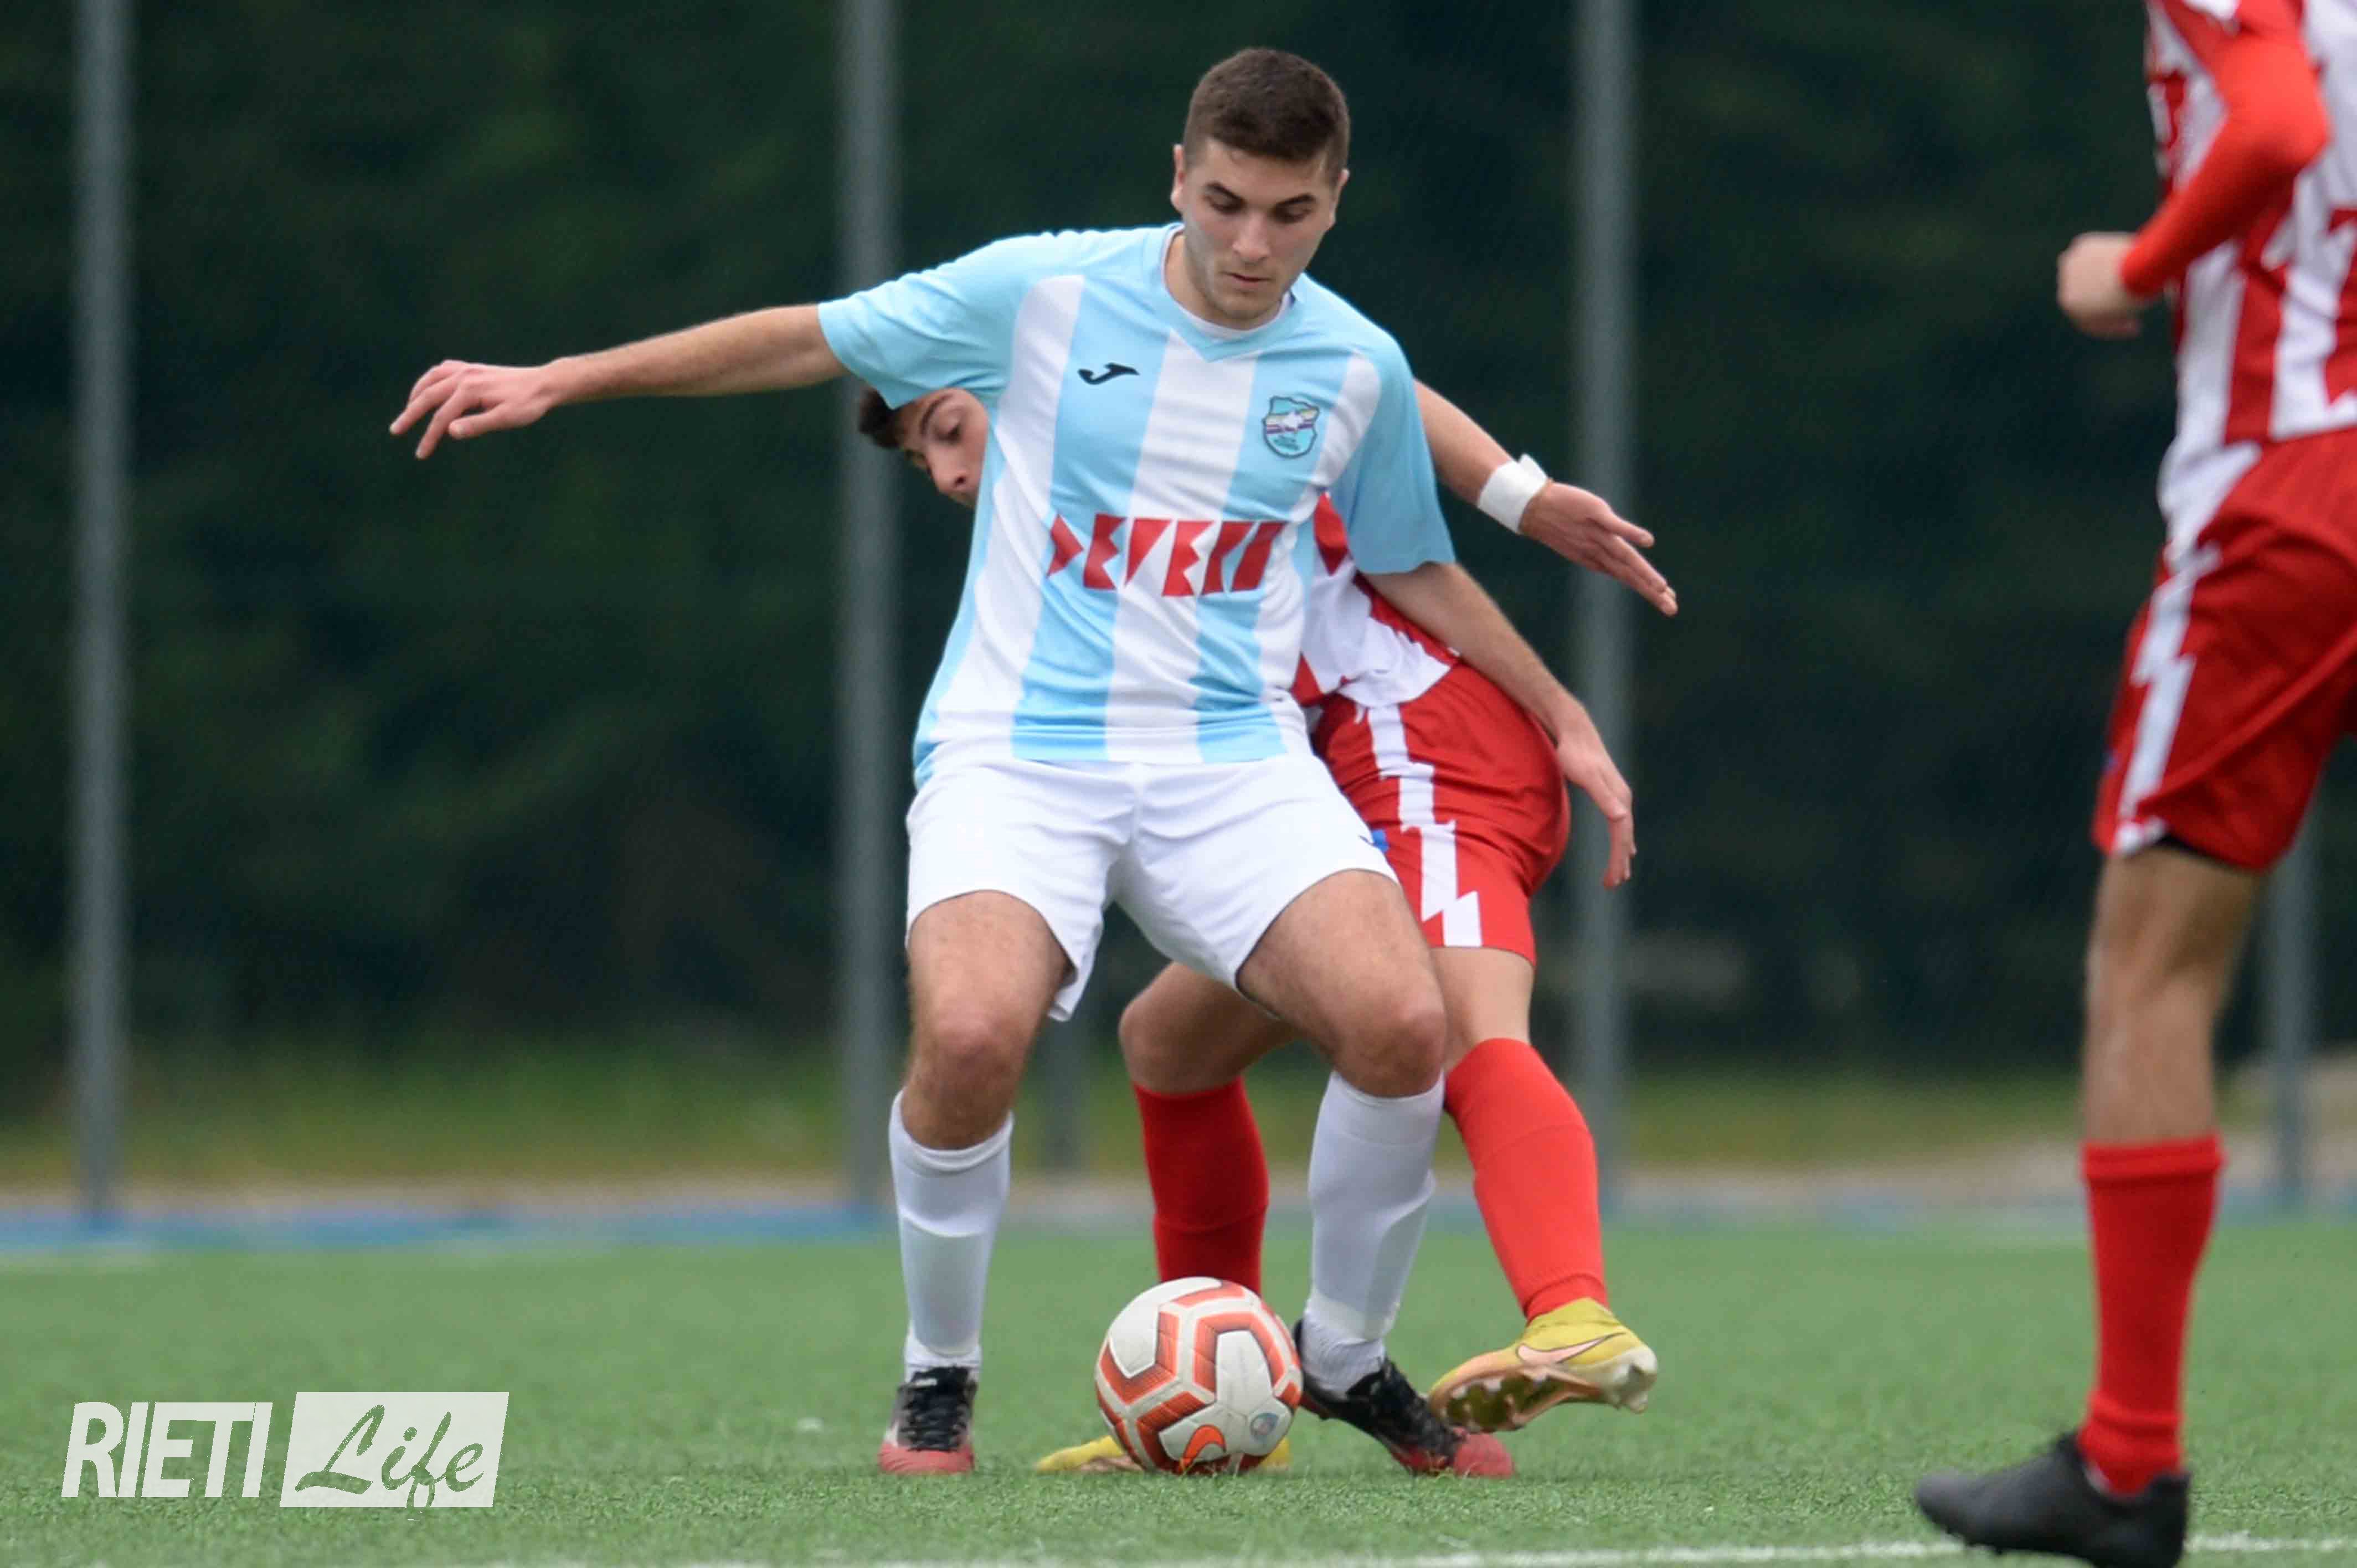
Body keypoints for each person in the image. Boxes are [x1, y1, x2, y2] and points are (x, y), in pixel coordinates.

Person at [393, 48, 1631, 1477]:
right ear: (1179, 177)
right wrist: (564, 379)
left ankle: (1344, 1358)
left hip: (1234, 763)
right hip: (1019, 755)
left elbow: (1411, 564)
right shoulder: (1040, 290)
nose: (1251, 243)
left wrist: (1559, 710)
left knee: (1403, 1023)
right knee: (973, 1040)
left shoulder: (1355, 364)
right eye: (1225, 203)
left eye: (1289, 214)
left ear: (1336, 199)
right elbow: (810, 338)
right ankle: (939, 1379)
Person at [861, 379, 1671, 1475]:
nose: (951, 476)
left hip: (1419, 744)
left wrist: (1521, 505)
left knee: (1464, 1027)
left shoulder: (1167, 397)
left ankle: (1571, 1313)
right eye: (924, 463)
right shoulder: (1071, 508)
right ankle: (1239, 1387)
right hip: (1336, 772)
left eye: (951, 432)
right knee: (1171, 1044)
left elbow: (1372, 382)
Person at [1915, 4, 2343, 1564]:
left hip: (2292, 500)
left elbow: (2281, 123)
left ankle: (2128, 1462)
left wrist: (2141, 262)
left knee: (2148, 971)